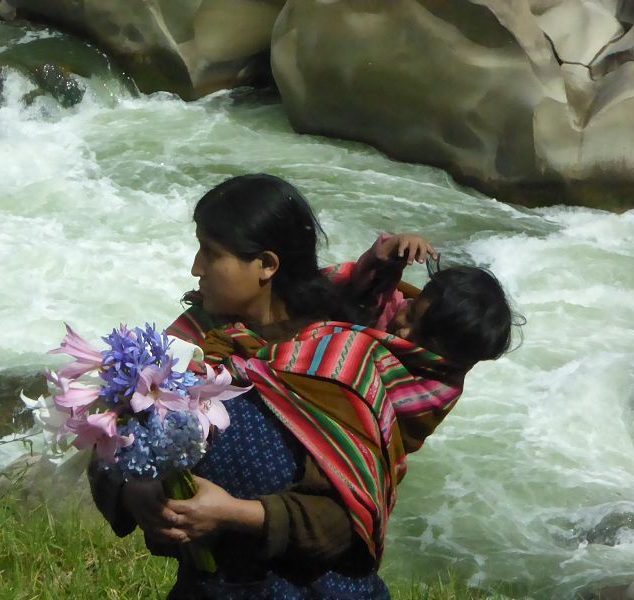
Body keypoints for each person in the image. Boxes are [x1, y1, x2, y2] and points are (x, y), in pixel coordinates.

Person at [88, 173, 516, 599]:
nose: (195, 268)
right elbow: (111, 441)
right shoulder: (192, 342)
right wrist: (133, 489)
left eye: (211, 253)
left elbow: (347, 520)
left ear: (267, 265)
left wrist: (234, 514)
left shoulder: (339, 361)